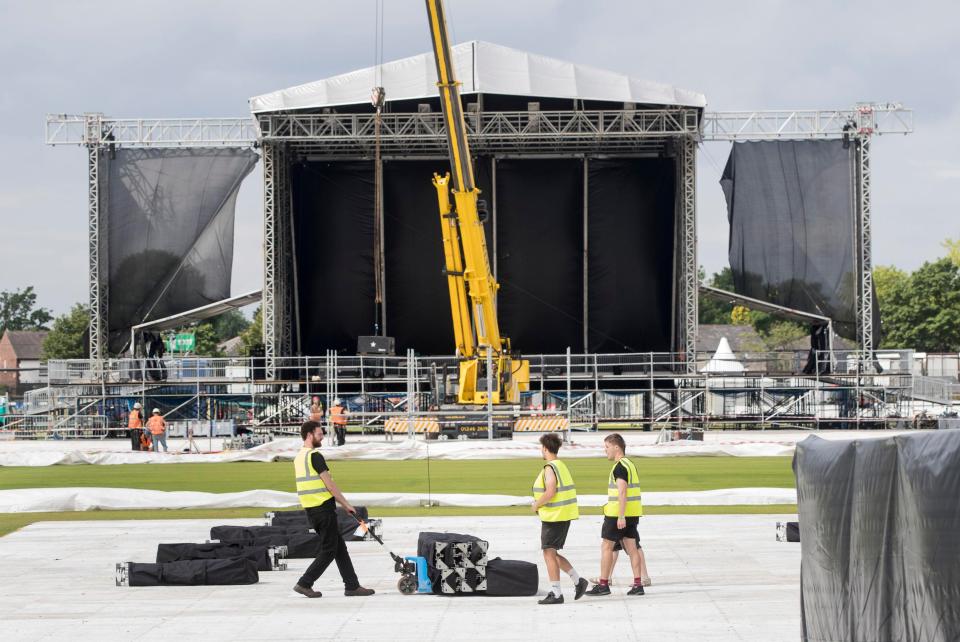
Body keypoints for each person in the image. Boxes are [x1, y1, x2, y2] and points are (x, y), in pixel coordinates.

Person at [292, 420, 375, 599]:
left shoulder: (299, 457)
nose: (322, 436)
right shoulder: (314, 456)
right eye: (319, 433)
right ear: (309, 435)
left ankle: (352, 586)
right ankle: (305, 583)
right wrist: (346, 505)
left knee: (339, 548)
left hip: (312, 510)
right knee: (329, 549)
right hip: (323, 510)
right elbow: (330, 485)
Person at [586, 433, 646, 597]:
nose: (605, 451)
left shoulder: (619, 467)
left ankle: (604, 584)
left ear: (616, 447)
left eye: (607, 447)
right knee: (633, 549)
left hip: (617, 515)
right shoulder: (630, 464)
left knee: (606, 547)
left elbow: (622, 491)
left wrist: (620, 516)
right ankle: (638, 585)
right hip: (633, 514)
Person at [531, 433, 587, 605]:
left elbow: (550, 491)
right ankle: (578, 581)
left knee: (548, 553)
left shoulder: (550, 468)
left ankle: (556, 593)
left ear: (545, 448)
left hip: (555, 517)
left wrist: (536, 505)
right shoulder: (561, 465)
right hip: (562, 515)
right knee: (552, 553)